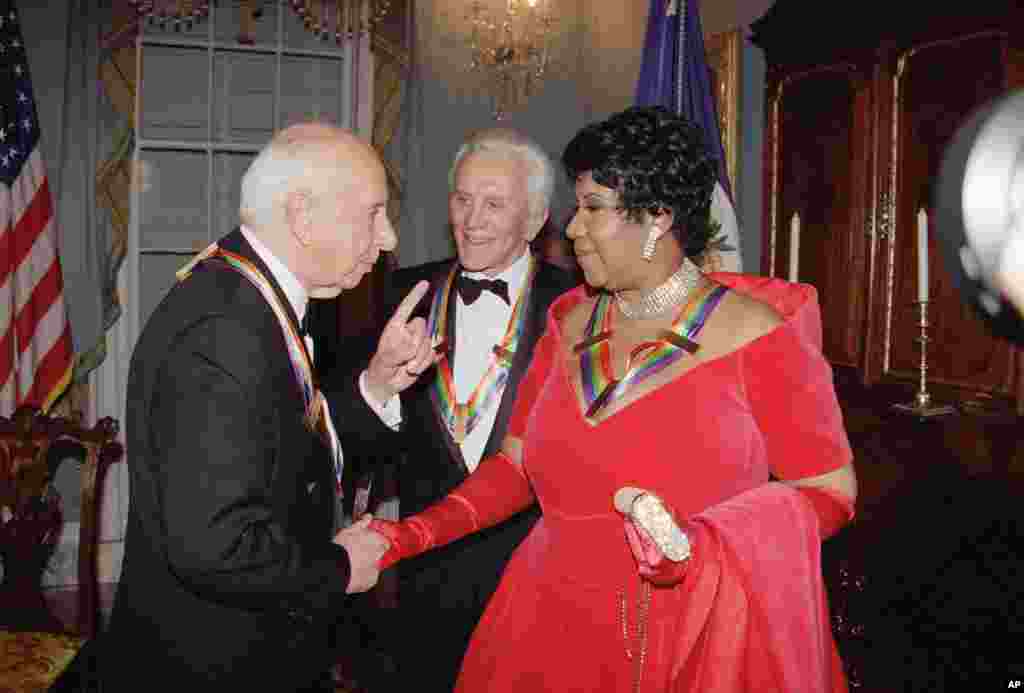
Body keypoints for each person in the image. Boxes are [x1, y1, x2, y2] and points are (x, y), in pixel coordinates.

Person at [368, 106, 858, 692]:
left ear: (657, 218)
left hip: (690, 639)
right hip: (541, 628)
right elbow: (518, 466)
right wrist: (413, 534)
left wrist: (703, 548)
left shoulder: (762, 335)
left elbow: (830, 492)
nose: (572, 228)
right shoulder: (565, 322)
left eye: (592, 209)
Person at [97, 122, 437, 692]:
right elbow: (214, 544)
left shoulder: (249, 295)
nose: (388, 238)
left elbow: (289, 448)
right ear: (303, 217)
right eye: (373, 214)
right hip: (215, 663)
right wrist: (340, 568)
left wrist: (376, 385)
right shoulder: (222, 330)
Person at [332, 127, 576, 692]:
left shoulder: (578, 308)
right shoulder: (400, 295)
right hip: (424, 571)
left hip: (535, 569)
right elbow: (354, 436)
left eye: (494, 204)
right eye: (462, 200)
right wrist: (382, 386)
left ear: (536, 219)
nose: (472, 220)